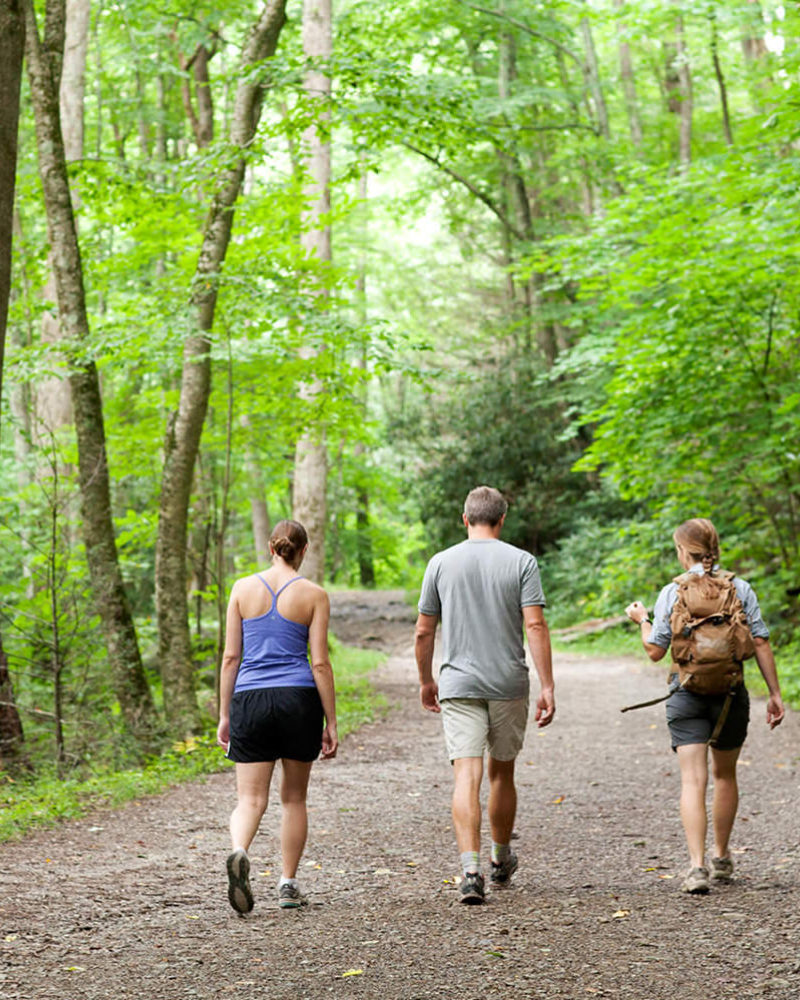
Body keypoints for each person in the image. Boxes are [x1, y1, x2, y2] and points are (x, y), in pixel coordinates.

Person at [625, 517, 784, 894]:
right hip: (731, 694)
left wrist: (642, 618)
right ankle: (722, 856)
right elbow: (759, 642)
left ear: (683, 553)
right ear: (715, 550)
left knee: (692, 781)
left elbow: (654, 651)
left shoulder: (672, 592)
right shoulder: (740, 588)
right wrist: (775, 693)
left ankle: (696, 867)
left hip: (686, 694)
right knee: (725, 775)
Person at [415, 485, 556, 905]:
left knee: (467, 775)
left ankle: (470, 870)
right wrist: (547, 684)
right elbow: (534, 626)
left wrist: (426, 679)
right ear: (501, 519)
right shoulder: (522, 562)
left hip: (458, 684)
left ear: (465, 519)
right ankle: (500, 858)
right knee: (502, 773)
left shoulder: (440, 563)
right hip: (508, 682)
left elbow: (424, 630)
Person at [217, 519, 337, 913]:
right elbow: (319, 663)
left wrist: (224, 714)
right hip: (298, 699)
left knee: (250, 799)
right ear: (303, 551)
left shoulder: (241, 589)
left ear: (271, 548)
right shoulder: (314, 594)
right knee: (294, 798)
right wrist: (331, 722)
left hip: (249, 697)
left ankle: (239, 851)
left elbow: (231, 657)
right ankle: (288, 884)